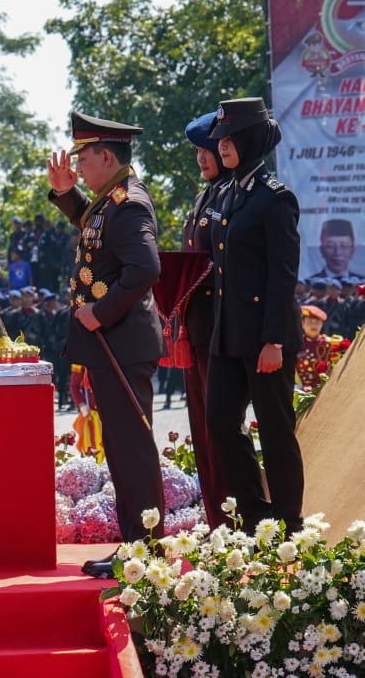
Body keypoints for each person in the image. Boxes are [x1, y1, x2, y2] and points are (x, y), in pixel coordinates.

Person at [47, 111, 165, 576]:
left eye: (85, 158)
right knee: (120, 446)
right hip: (112, 345)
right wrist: (64, 192)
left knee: (131, 447)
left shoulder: (130, 203)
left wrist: (99, 311)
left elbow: (144, 269)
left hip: (122, 343)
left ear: (107, 156)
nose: (80, 166)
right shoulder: (109, 201)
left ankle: (145, 552)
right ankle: (136, 547)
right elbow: (95, 233)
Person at [206, 97, 304, 537]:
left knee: (276, 429)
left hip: (266, 338)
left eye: (229, 138)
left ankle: (288, 521)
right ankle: (254, 514)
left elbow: (283, 277)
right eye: (220, 139)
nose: (222, 146)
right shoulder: (226, 194)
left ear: (249, 139)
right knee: (221, 421)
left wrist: (275, 341)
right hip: (228, 336)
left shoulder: (275, 199)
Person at [178, 111, 231, 530]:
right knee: (202, 432)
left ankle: (232, 520)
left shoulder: (231, 196)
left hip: (220, 332)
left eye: (206, 150)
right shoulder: (203, 198)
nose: (201, 159)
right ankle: (216, 521)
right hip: (195, 331)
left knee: (222, 432)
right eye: (197, 151)